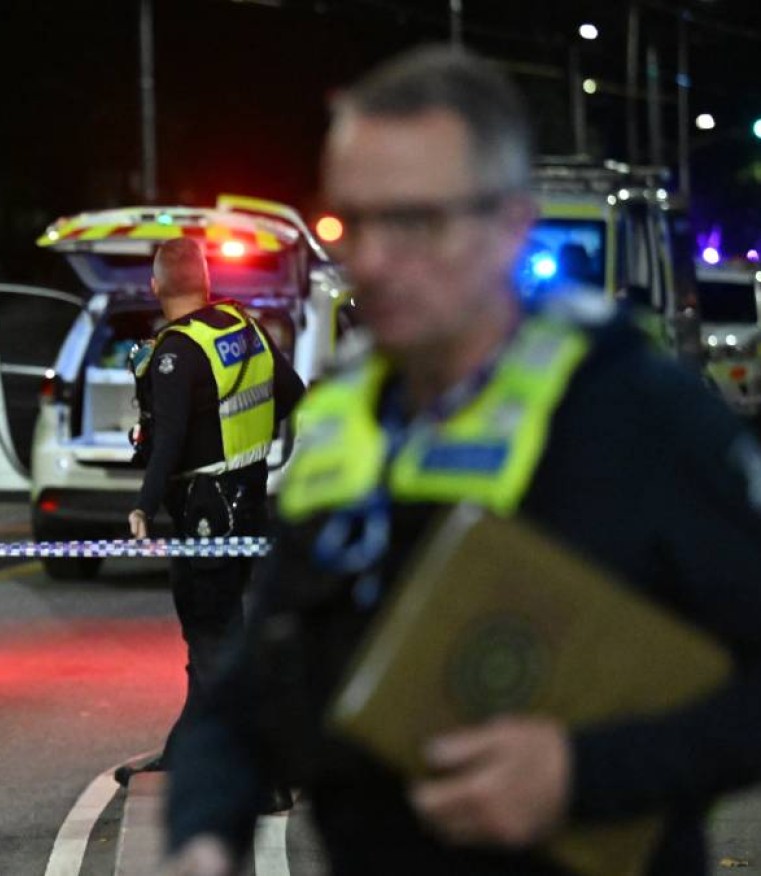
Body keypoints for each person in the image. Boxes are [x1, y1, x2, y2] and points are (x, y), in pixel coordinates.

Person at [164, 46, 761, 875]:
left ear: (512, 223)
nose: (370, 260)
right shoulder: (342, 419)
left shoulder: (631, 412)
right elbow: (250, 690)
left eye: (413, 222)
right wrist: (202, 833)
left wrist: (580, 774)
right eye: (354, 221)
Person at [120, 237, 304, 786]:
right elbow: (291, 394)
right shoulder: (241, 327)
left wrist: (142, 506)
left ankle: (263, 776)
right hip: (247, 501)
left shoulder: (176, 350)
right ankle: (190, 748)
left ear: (155, 288)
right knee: (214, 633)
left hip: (204, 511)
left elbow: (170, 437)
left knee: (213, 637)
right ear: (205, 281)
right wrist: (241, 443)